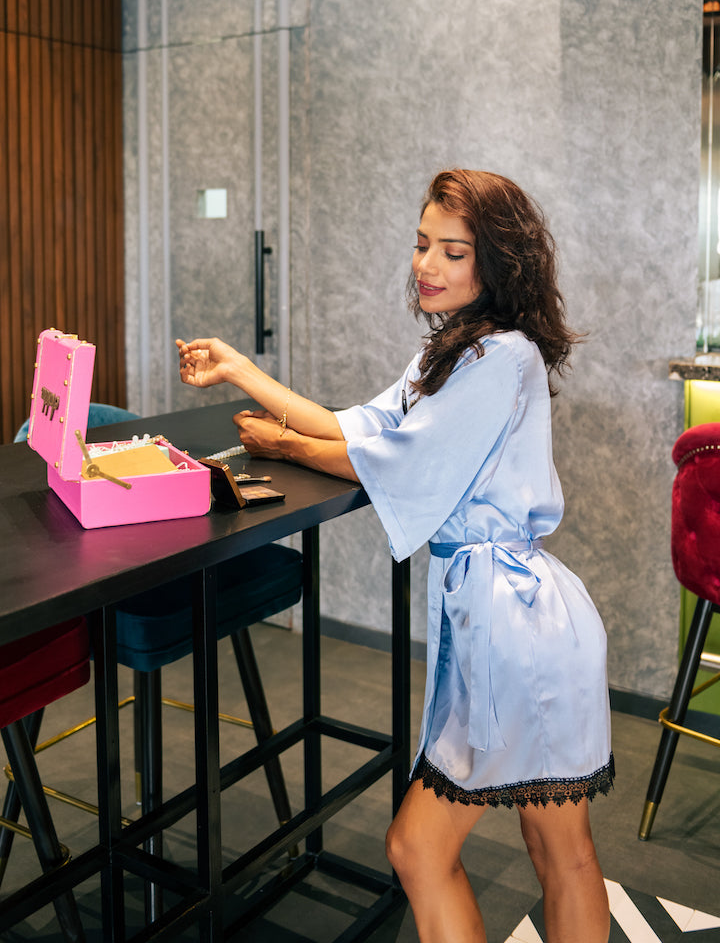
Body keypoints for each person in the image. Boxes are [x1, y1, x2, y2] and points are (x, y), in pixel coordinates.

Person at [176, 168, 613, 943]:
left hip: (519, 629)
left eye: (452, 251)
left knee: (452, 848)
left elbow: (399, 463)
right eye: (421, 246)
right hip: (513, 620)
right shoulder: (448, 354)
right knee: (558, 850)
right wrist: (239, 367)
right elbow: (354, 426)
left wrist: (283, 445)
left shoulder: (501, 357)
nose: (427, 266)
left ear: (495, 264)